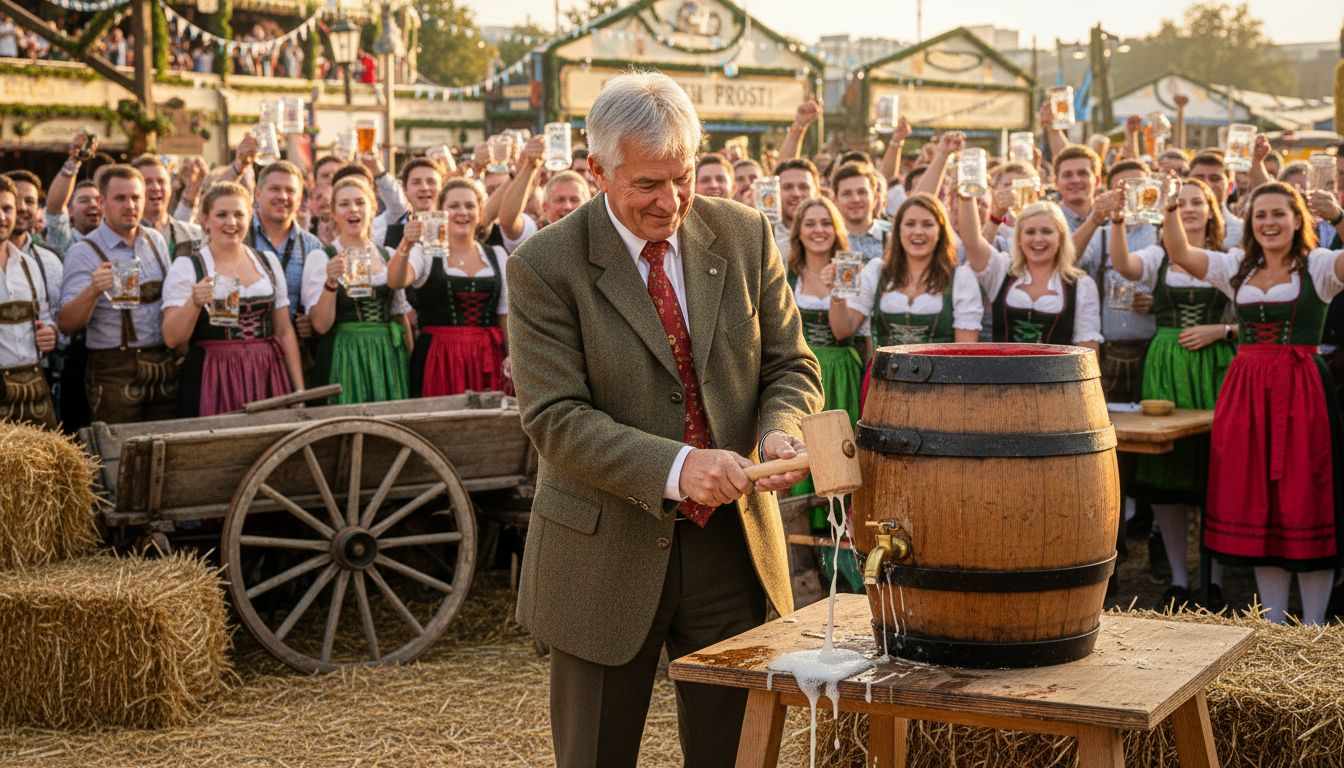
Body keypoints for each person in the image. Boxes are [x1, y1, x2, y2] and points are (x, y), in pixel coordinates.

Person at [506, 71, 822, 768]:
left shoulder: (744, 234)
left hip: (731, 550)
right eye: (647, 184)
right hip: (601, 553)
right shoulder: (544, 265)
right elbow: (555, 417)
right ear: (596, 171)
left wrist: (782, 429)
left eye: (682, 178)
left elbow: (790, 365)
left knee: (732, 754)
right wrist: (679, 468)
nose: (671, 201)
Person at [1164, 181, 1344, 625]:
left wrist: (1339, 218)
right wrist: (1169, 208)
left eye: (1279, 213)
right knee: (1259, 497)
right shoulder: (1236, 267)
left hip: (1302, 392)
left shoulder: (1318, 265)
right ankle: (1274, 622)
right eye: (1260, 215)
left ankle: (1315, 624)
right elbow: (1180, 253)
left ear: (1298, 219)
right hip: (1246, 393)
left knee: (1306, 495)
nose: (1269, 222)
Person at [1107, 178, 1235, 609]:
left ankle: (1213, 579)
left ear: (1212, 209)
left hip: (1215, 365)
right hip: (1166, 361)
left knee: (1213, 470)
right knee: (1169, 472)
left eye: (1198, 202)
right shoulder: (1159, 254)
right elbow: (1124, 266)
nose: (1191, 209)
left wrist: (1222, 329)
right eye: (1183, 203)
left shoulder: (1229, 257)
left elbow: (1255, 315)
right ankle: (1180, 580)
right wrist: (1118, 221)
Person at [768, 195, 865, 593]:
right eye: (810, 223)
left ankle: (846, 555)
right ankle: (809, 561)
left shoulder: (849, 268)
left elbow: (843, 331)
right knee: (801, 454)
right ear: (799, 231)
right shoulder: (785, 270)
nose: (819, 229)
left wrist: (836, 291)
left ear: (836, 228)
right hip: (799, 369)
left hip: (838, 370)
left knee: (837, 459)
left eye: (826, 222)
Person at [161, 182, 304, 417]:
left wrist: (298, 390)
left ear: (250, 217)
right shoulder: (188, 266)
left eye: (239, 214)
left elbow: (284, 330)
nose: (231, 222)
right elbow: (172, 338)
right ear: (206, 220)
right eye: (222, 215)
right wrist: (194, 303)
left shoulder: (267, 262)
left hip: (267, 371)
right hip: (214, 374)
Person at [59, 165, 177, 424]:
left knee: (165, 444)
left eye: (136, 197)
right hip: (113, 370)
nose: (130, 205)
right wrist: (93, 290)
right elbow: (66, 323)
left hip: (162, 364)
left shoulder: (155, 241)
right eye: (120, 198)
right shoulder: (84, 252)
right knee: (119, 447)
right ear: (102, 203)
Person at [387, 178, 510, 397]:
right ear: (441, 212)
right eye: (453, 206)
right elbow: (396, 281)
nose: (462, 212)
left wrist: (511, 356)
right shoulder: (424, 253)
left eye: (470, 206)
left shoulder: (497, 255)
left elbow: (505, 316)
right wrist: (406, 244)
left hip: (487, 357)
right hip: (438, 359)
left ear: (480, 212)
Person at [303, 177, 413, 404]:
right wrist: (331, 282)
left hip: (386, 356)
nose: (353, 209)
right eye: (344, 204)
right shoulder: (321, 257)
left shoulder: (389, 255)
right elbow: (320, 325)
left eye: (360, 202)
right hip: (343, 354)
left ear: (372, 208)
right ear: (334, 213)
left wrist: (408, 364)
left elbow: (399, 316)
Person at [958, 195, 1103, 351]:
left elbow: (1088, 350)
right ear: (1019, 239)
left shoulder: (1081, 285)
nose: (1038, 239)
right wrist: (967, 195)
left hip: (1057, 369)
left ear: (1061, 238)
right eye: (1030, 232)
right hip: (1002, 367)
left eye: (1046, 232)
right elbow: (972, 242)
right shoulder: (1002, 270)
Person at [0, 175, 58, 428]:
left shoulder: (29, 265)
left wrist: (50, 333)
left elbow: (44, 317)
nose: (2, 217)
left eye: (7, 208)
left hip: (35, 385)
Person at [831, 162, 889, 263]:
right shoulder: (827, 238)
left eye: (862, 192)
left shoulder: (895, 236)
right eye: (847, 193)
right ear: (835, 201)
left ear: (875, 198)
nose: (855, 199)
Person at [1189, 151, 1243, 250]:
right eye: (1198, 179)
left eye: (1215, 179)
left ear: (1230, 187)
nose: (1206, 184)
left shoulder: (1242, 231)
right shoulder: (1170, 226)